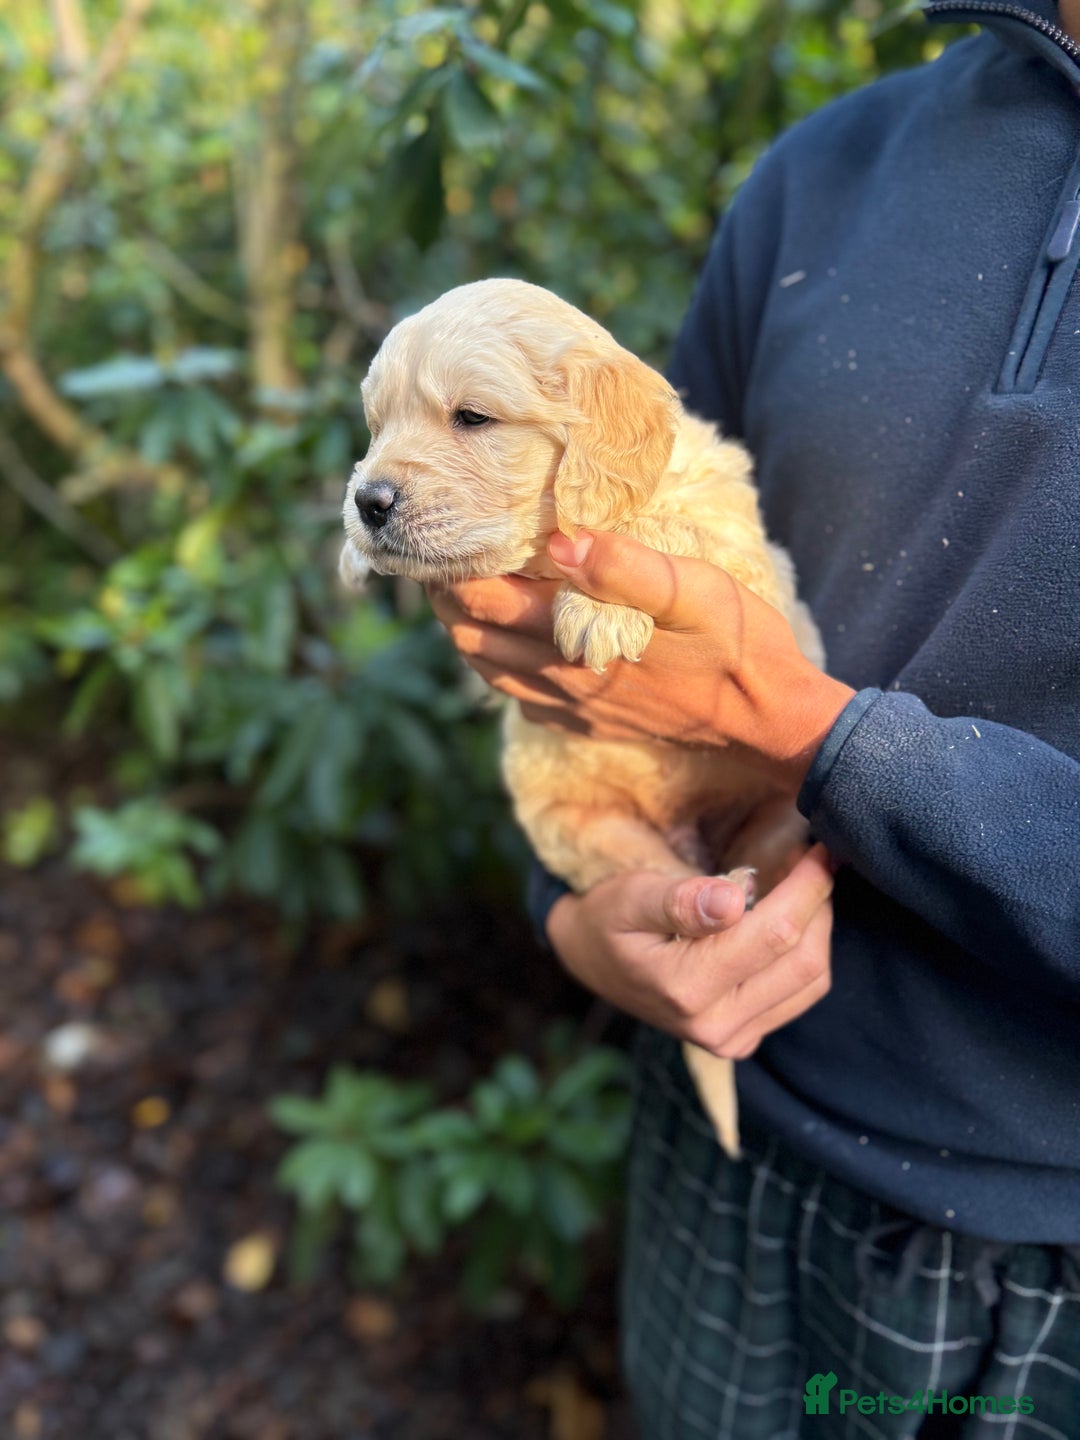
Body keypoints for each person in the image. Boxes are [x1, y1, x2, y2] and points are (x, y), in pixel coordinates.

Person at [430, 1, 1080, 1433]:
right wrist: (582, 911)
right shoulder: (825, 169)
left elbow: (742, 689)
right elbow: (602, 626)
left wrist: (814, 734)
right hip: (733, 1138)